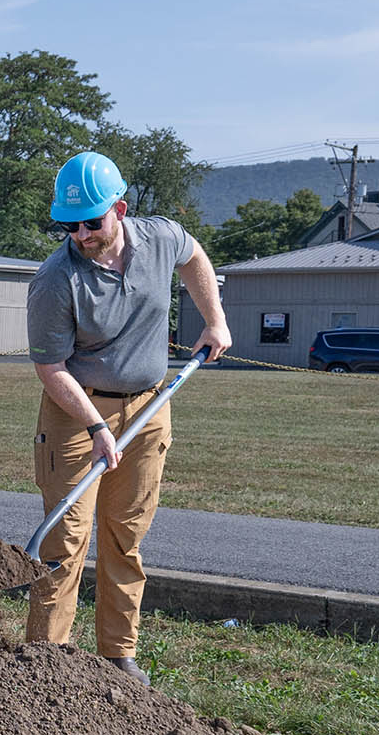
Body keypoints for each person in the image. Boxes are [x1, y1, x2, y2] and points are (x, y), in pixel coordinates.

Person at [26, 151, 231, 684]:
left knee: (126, 534)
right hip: (76, 411)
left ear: (119, 209)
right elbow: (50, 368)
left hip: (149, 406)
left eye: (92, 222)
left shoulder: (160, 237)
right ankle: (47, 664)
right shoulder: (55, 280)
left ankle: (118, 656)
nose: (81, 234)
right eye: (70, 225)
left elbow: (195, 257)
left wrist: (215, 320)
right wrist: (95, 426)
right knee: (65, 538)